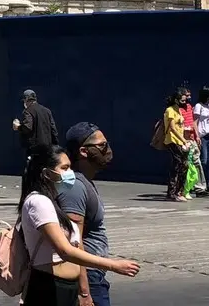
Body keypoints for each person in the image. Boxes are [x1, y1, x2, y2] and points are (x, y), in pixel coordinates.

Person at [19, 144, 140, 306]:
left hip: (67, 287)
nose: (70, 173)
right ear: (47, 174)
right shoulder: (39, 202)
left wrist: (84, 291)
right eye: (65, 168)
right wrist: (113, 265)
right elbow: (65, 251)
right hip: (49, 287)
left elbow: (76, 246)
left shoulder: (53, 202)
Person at [59, 123, 118, 306]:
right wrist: (84, 292)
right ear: (84, 151)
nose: (107, 150)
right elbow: (74, 241)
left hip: (95, 273)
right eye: (102, 146)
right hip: (88, 277)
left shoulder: (85, 182)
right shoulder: (75, 186)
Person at [161, 90, 190, 202]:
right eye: (182, 100)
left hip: (180, 141)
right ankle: (172, 192)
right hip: (172, 141)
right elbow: (172, 128)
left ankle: (179, 191)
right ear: (176, 100)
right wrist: (184, 140)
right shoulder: (170, 110)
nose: (184, 102)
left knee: (184, 166)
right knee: (177, 166)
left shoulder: (179, 110)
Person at [15, 89, 59, 158]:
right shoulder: (47, 111)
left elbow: (27, 127)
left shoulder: (28, 111)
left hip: (35, 149)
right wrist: (55, 146)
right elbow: (53, 130)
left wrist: (18, 127)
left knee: (34, 167)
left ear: (26, 99)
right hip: (48, 148)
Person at [192, 87, 209, 196]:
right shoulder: (198, 106)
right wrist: (197, 136)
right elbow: (194, 122)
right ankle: (199, 184)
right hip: (202, 136)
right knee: (204, 161)